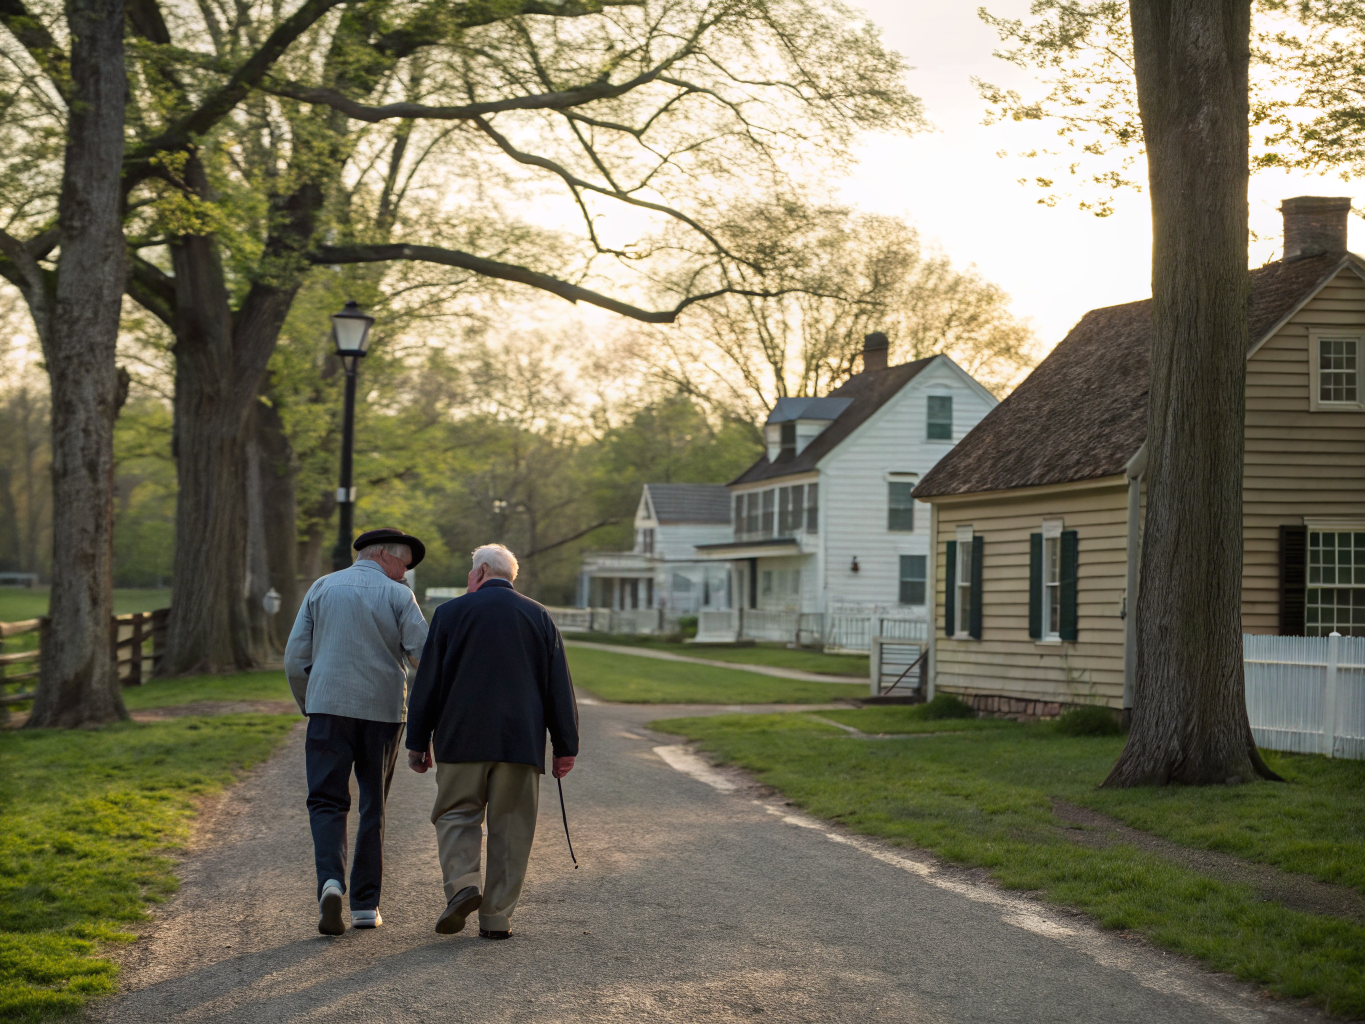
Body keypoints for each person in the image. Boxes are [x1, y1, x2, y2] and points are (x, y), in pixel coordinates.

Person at [406, 543, 579, 940]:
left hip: (460, 739)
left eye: (471, 572)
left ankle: (463, 885)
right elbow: (558, 687)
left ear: (481, 571)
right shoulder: (538, 615)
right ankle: (496, 917)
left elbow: (427, 685)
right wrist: (565, 746)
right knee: (512, 826)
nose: (470, 579)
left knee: (454, 814)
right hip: (520, 743)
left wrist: (417, 742)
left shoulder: (449, 614)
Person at [284, 527, 429, 936]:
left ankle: (331, 881)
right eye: (403, 564)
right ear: (383, 554)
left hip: (328, 707)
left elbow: (296, 657)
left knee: (326, 800)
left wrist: (308, 702)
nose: (404, 573)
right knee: (373, 805)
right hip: (382, 711)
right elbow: (424, 654)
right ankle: (366, 905)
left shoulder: (322, 587)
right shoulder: (399, 596)